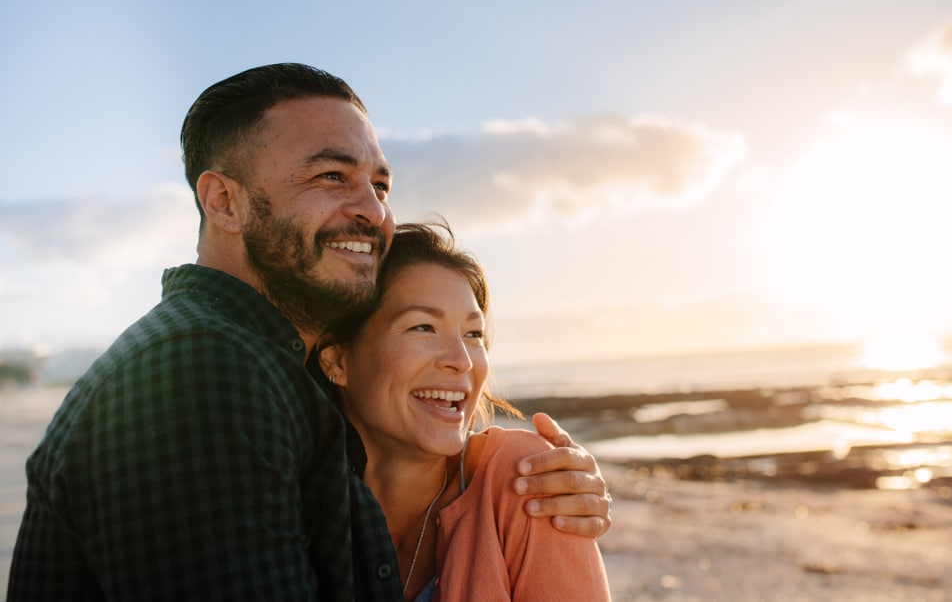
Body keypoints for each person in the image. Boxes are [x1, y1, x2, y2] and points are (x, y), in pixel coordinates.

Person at [7, 63, 611, 601]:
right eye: (330, 177)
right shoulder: (206, 366)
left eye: (379, 185)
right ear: (223, 203)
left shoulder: (272, 386)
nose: (373, 211)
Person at [315, 221, 612, 601]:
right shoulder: (293, 498)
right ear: (337, 360)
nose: (462, 361)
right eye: (423, 327)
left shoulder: (525, 479)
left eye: (473, 335)